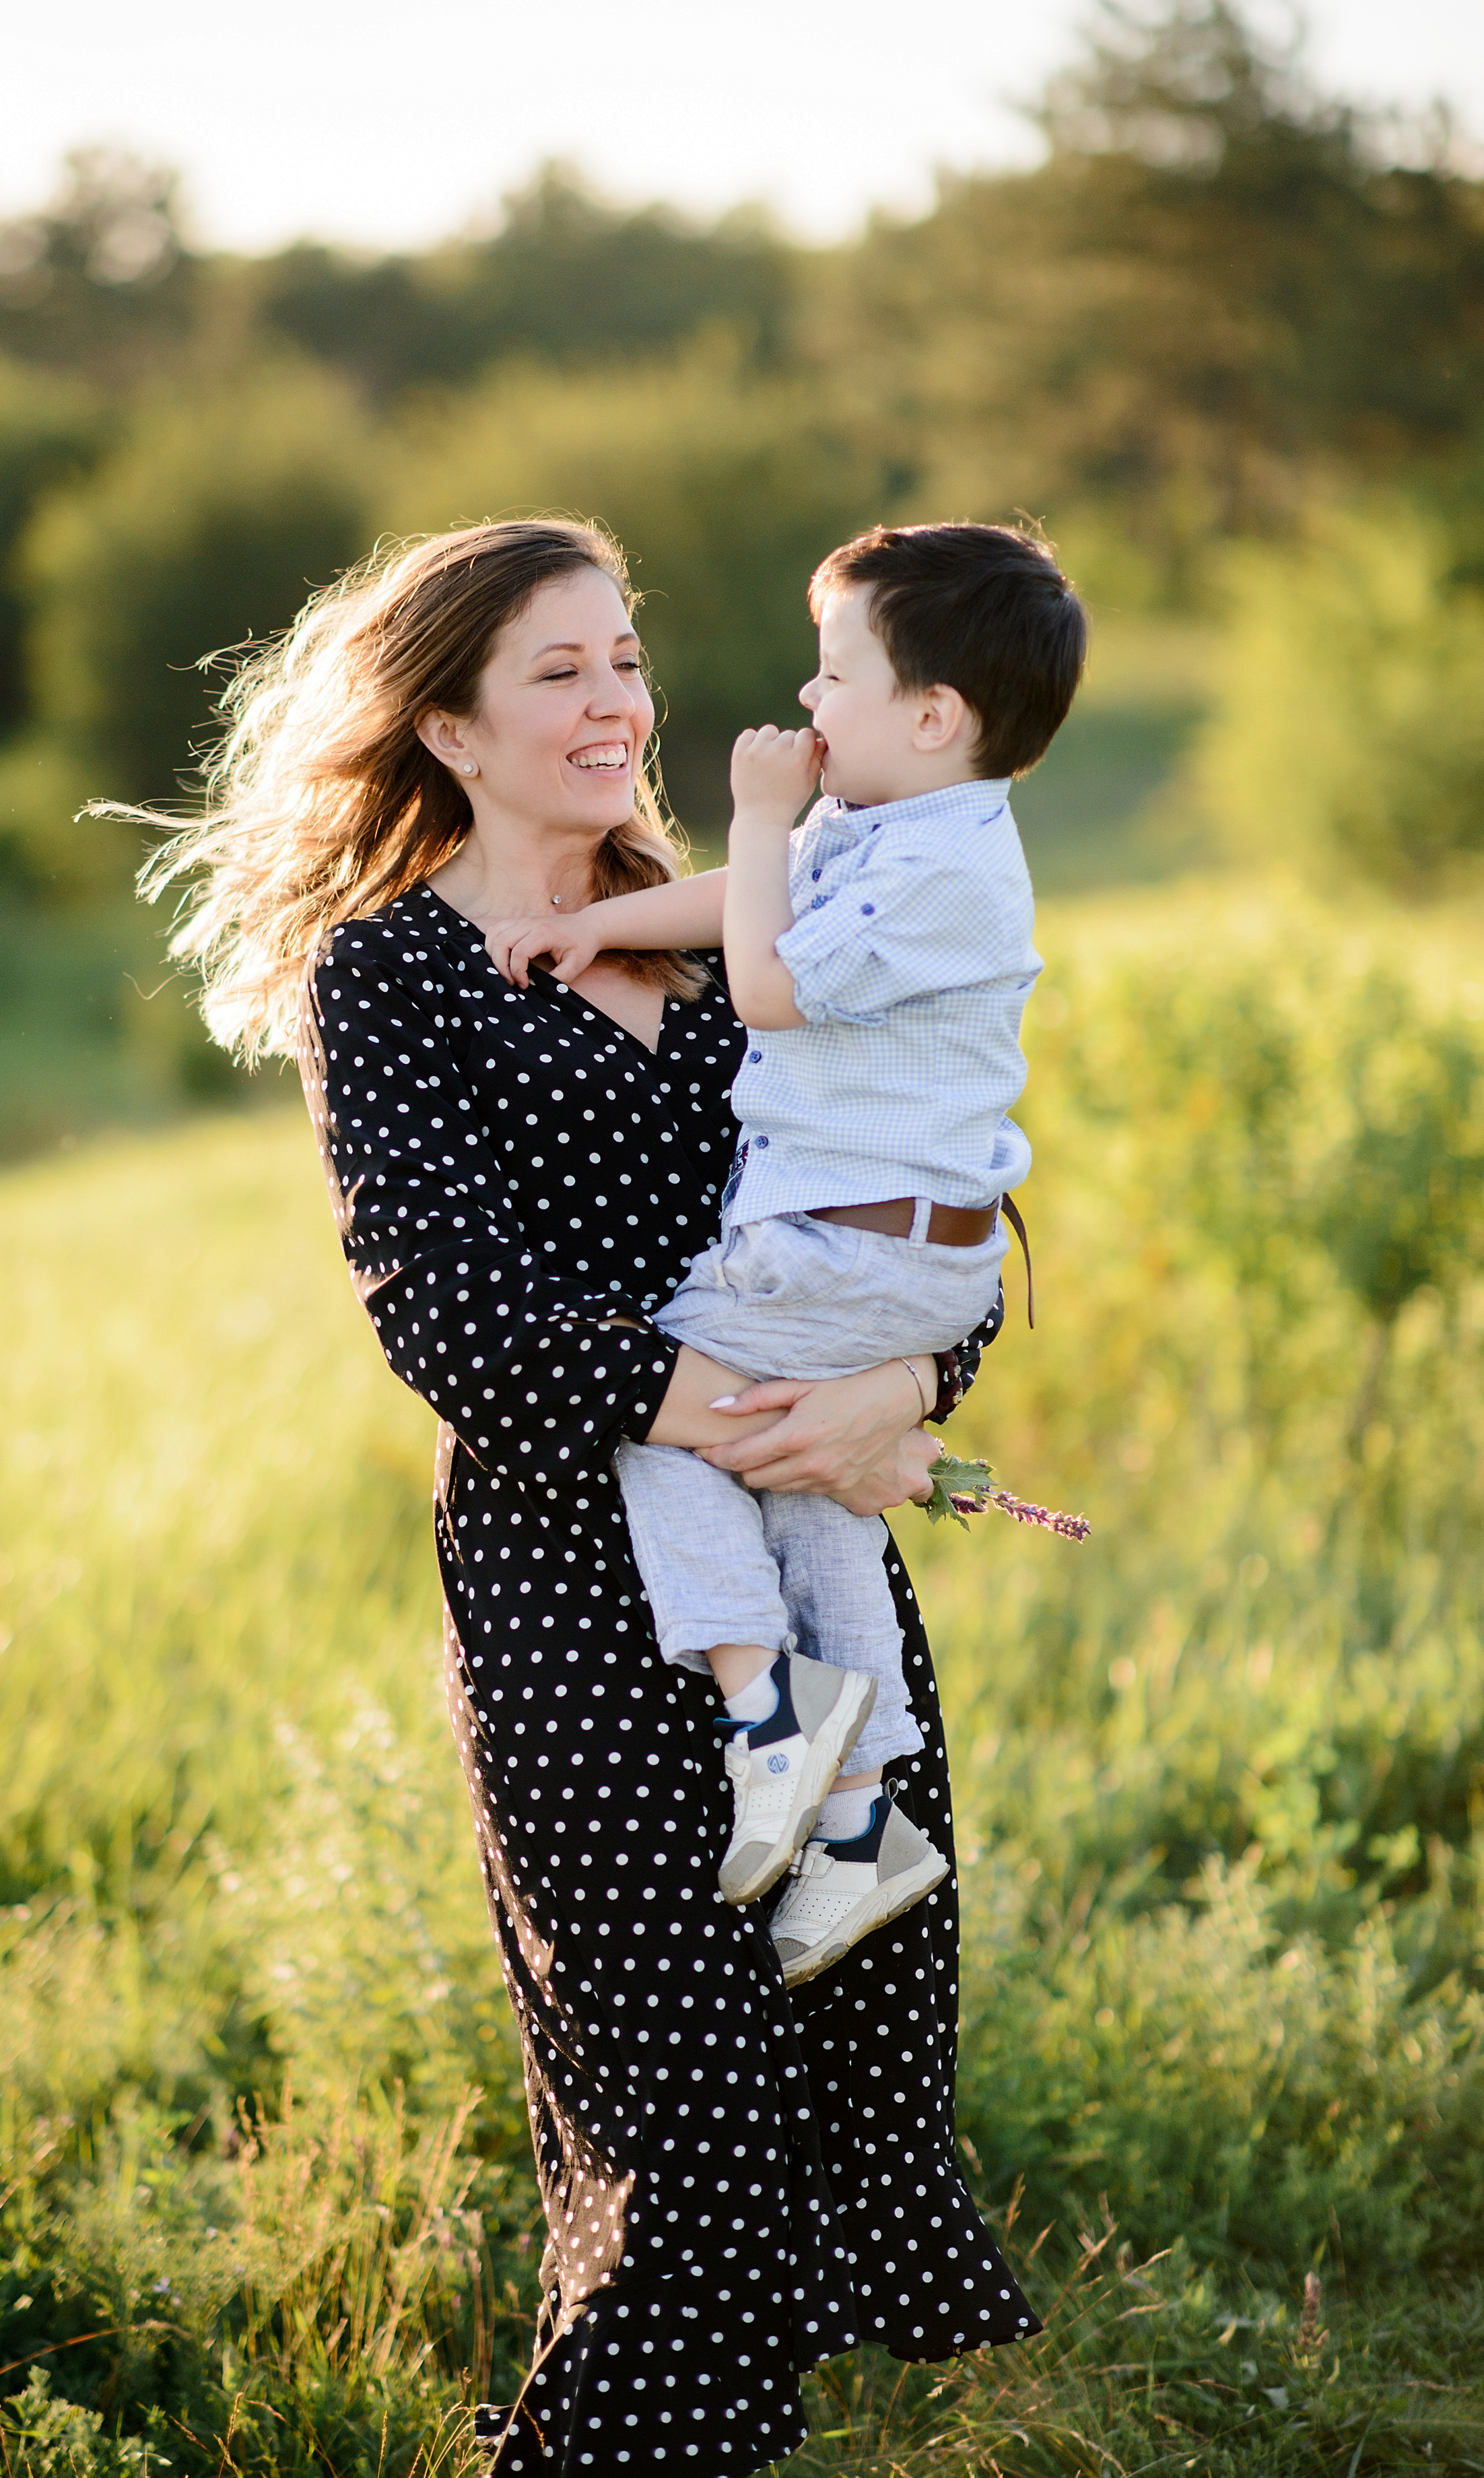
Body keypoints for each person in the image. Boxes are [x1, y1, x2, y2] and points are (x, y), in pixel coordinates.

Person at [141, 518, 1039, 2475]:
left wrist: (908, 1386)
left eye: (624, 655)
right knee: (686, 2128)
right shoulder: (391, 977)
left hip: (816, 1564)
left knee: (840, 2062)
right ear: (447, 721)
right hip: (577, 1598)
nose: (619, 698)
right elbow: (443, 1306)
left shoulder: (754, 926)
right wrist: (741, 1408)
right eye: (559, 668)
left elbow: (935, 1176)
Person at [484, 525, 1085, 1995]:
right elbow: (746, 915)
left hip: (843, 1256)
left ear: (933, 715)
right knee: (810, 1491)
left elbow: (761, 977)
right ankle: (863, 1812)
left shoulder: (944, 862)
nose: (805, 708)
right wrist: (591, 928)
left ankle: (766, 1717)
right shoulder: (893, 826)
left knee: (674, 1423)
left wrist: (755, 816)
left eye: (834, 677)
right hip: (884, 1263)